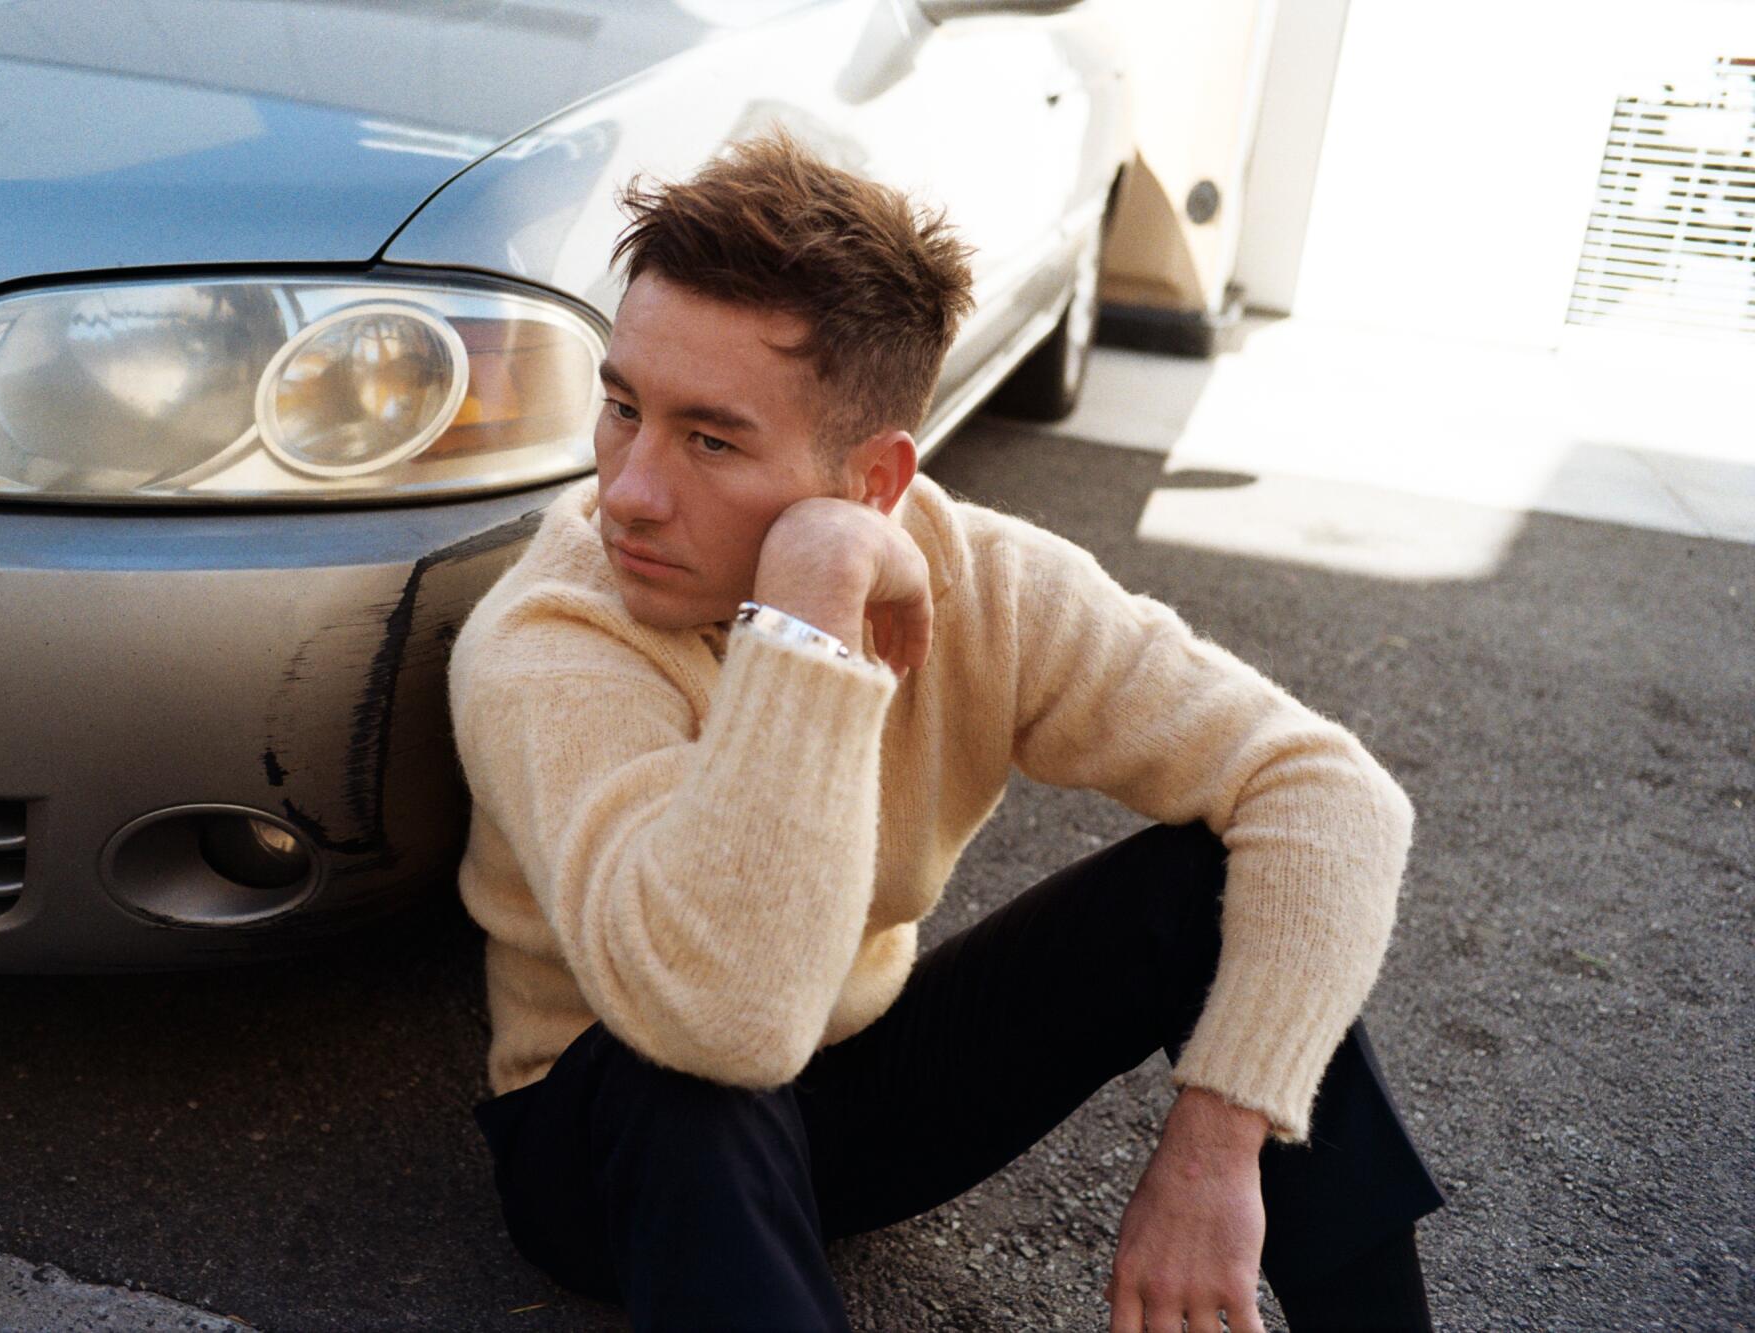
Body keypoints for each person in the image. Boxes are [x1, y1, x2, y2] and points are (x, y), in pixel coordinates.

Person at [449, 130, 1445, 1332]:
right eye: (622, 408)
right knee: (689, 1080)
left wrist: (1219, 1139)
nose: (630, 489)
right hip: (609, 1136)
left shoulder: (988, 583)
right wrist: (808, 603)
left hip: (840, 1092)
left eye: (709, 439)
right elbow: (721, 1013)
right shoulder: (550, 637)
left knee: (1208, 887)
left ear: (874, 479)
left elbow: (1330, 795)